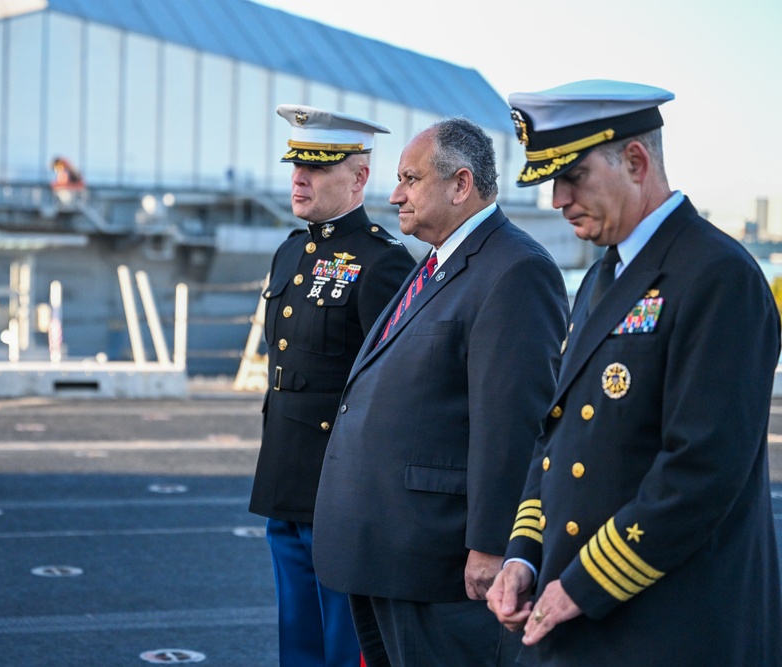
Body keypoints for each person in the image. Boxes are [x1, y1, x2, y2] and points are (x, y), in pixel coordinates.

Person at [487, 79, 782, 666]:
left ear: (636, 160)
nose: (556, 199)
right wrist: (524, 553)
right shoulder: (604, 276)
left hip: (667, 624)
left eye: (572, 177)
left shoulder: (718, 276)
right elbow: (559, 437)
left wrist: (583, 585)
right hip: (577, 610)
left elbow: (702, 469)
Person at [311, 117, 569, 666]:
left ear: (460, 184)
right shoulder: (434, 263)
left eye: (410, 178)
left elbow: (513, 423)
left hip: (441, 561)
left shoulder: (515, 271)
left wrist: (493, 543)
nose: (395, 194)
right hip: (388, 551)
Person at [249, 104, 416, 667]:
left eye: (317, 166)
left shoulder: (382, 262)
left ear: (360, 177)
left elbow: (390, 393)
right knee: (296, 641)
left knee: (346, 649)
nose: (300, 177)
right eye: (297, 164)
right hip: (284, 477)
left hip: (340, 491)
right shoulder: (290, 252)